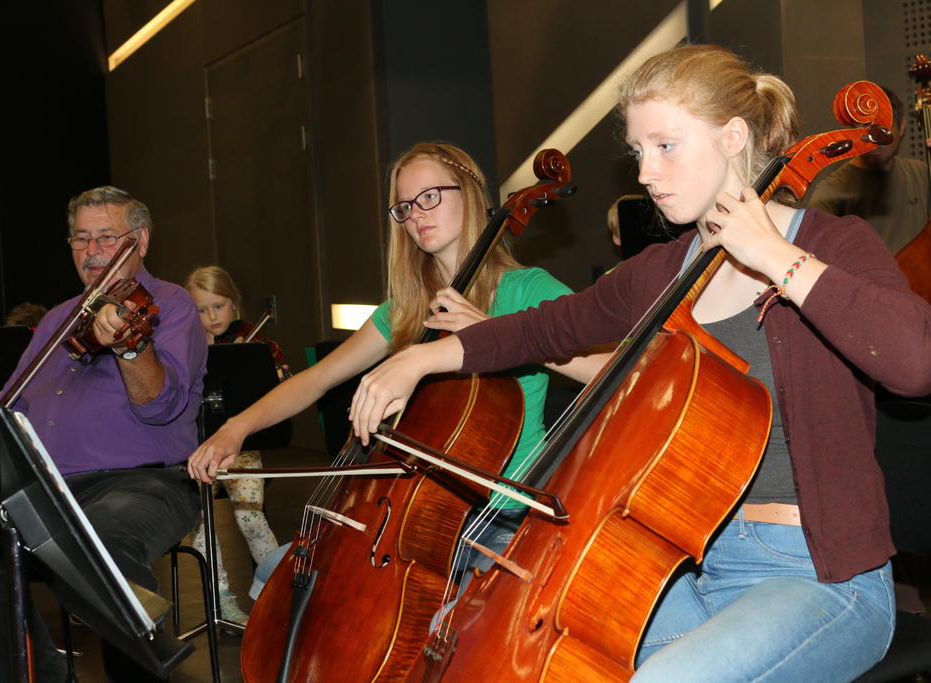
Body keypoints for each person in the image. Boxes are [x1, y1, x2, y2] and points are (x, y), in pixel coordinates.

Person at [349, 45, 931, 681]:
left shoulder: (832, 245)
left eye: (666, 146)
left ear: (733, 137)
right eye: (638, 152)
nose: (647, 173)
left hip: (820, 578)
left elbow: (915, 362)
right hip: (679, 563)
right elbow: (544, 328)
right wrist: (420, 359)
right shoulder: (663, 270)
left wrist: (774, 257)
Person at [187, 141, 601, 595]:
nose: (416, 215)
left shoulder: (527, 290)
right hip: (415, 508)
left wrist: (497, 334)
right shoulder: (405, 310)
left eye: (430, 196)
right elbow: (317, 379)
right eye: (405, 207)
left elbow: (611, 367)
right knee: (279, 575)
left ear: (468, 193)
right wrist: (236, 428)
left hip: (503, 517)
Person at [0, 186, 206, 682]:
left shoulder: (171, 305)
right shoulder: (59, 318)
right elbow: (12, 406)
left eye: (107, 237)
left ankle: (145, 666)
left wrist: (129, 346)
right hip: (52, 490)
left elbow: (162, 407)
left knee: (97, 541)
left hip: (147, 484)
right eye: (81, 239)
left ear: (141, 240)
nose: (93, 251)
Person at [184, 265, 281, 623]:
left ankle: (278, 591)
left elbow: (272, 396)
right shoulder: (185, 348)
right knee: (202, 525)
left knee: (252, 518)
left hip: (242, 449)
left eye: (219, 306)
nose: (212, 317)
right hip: (198, 447)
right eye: (201, 309)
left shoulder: (251, 345)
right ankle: (221, 599)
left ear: (234, 303)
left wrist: (270, 377)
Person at [806, 85, 931, 253]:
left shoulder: (921, 173)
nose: (875, 138)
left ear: (901, 127)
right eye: (865, 128)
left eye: (884, 127)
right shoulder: (831, 191)